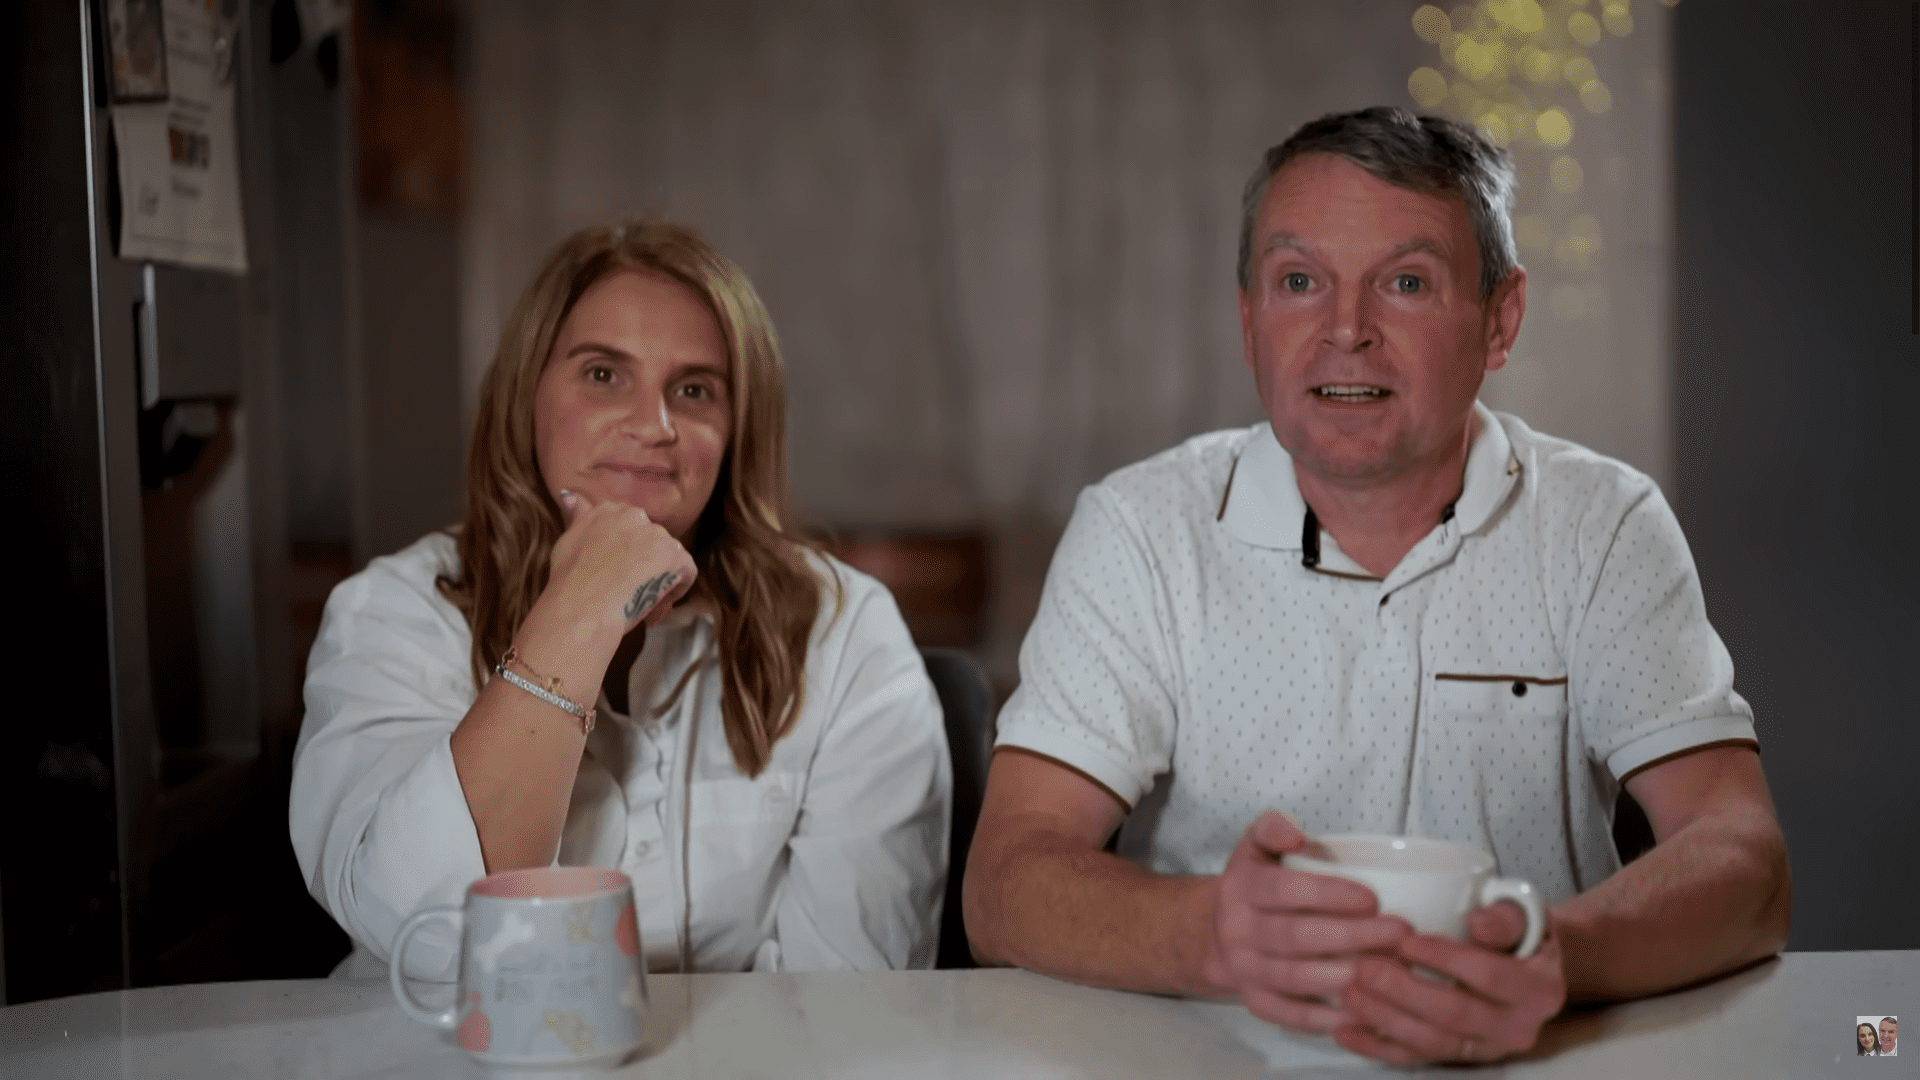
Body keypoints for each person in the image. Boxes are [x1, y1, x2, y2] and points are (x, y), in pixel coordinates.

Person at [963, 107, 1792, 1066]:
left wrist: (1556, 956)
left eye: (1405, 283)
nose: (1345, 331)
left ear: (1501, 319)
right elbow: (1005, 881)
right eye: (1299, 282)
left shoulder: (1600, 524)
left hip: (1531, 1052)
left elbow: (1744, 858)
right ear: (1249, 320)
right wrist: (1213, 936)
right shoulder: (1142, 532)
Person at [291, 220, 951, 980]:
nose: (653, 426)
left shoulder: (846, 632)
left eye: (694, 389)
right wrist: (581, 612)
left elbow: (848, 1001)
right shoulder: (393, 615)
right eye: (604, 374)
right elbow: (430, 939)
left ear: (738, 430)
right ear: (528, 395)